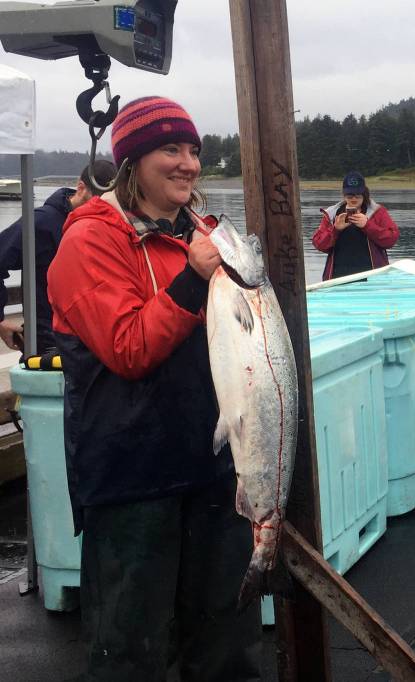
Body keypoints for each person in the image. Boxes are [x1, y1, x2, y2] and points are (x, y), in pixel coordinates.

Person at [47, 96, 260, 681]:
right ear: (132, 161)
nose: (188, 163)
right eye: (171, 149)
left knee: (226, 644)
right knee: (130, 650)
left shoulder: (199, 235)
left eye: (193, 150)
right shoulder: (89, 242)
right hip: (131, 482)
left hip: (213, 471)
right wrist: (194, 280)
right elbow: (129, 349)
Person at [0, 160, 116, 353]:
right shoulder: (41, 222)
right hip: (47, 342)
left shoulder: (104, 225)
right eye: (97, 201)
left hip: (91, 342)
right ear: (81, 188)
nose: (102, 208)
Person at [311, 170, 399, 280]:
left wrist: (367, 225)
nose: (353, 199)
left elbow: (391, 239)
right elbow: (319, 244)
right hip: (337, 278)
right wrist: (335, 230)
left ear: (364, 194)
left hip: (373, 278)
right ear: (344, 194)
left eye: (358, 195)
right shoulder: (332, 214)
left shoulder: (378, 212)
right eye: (350, 195)